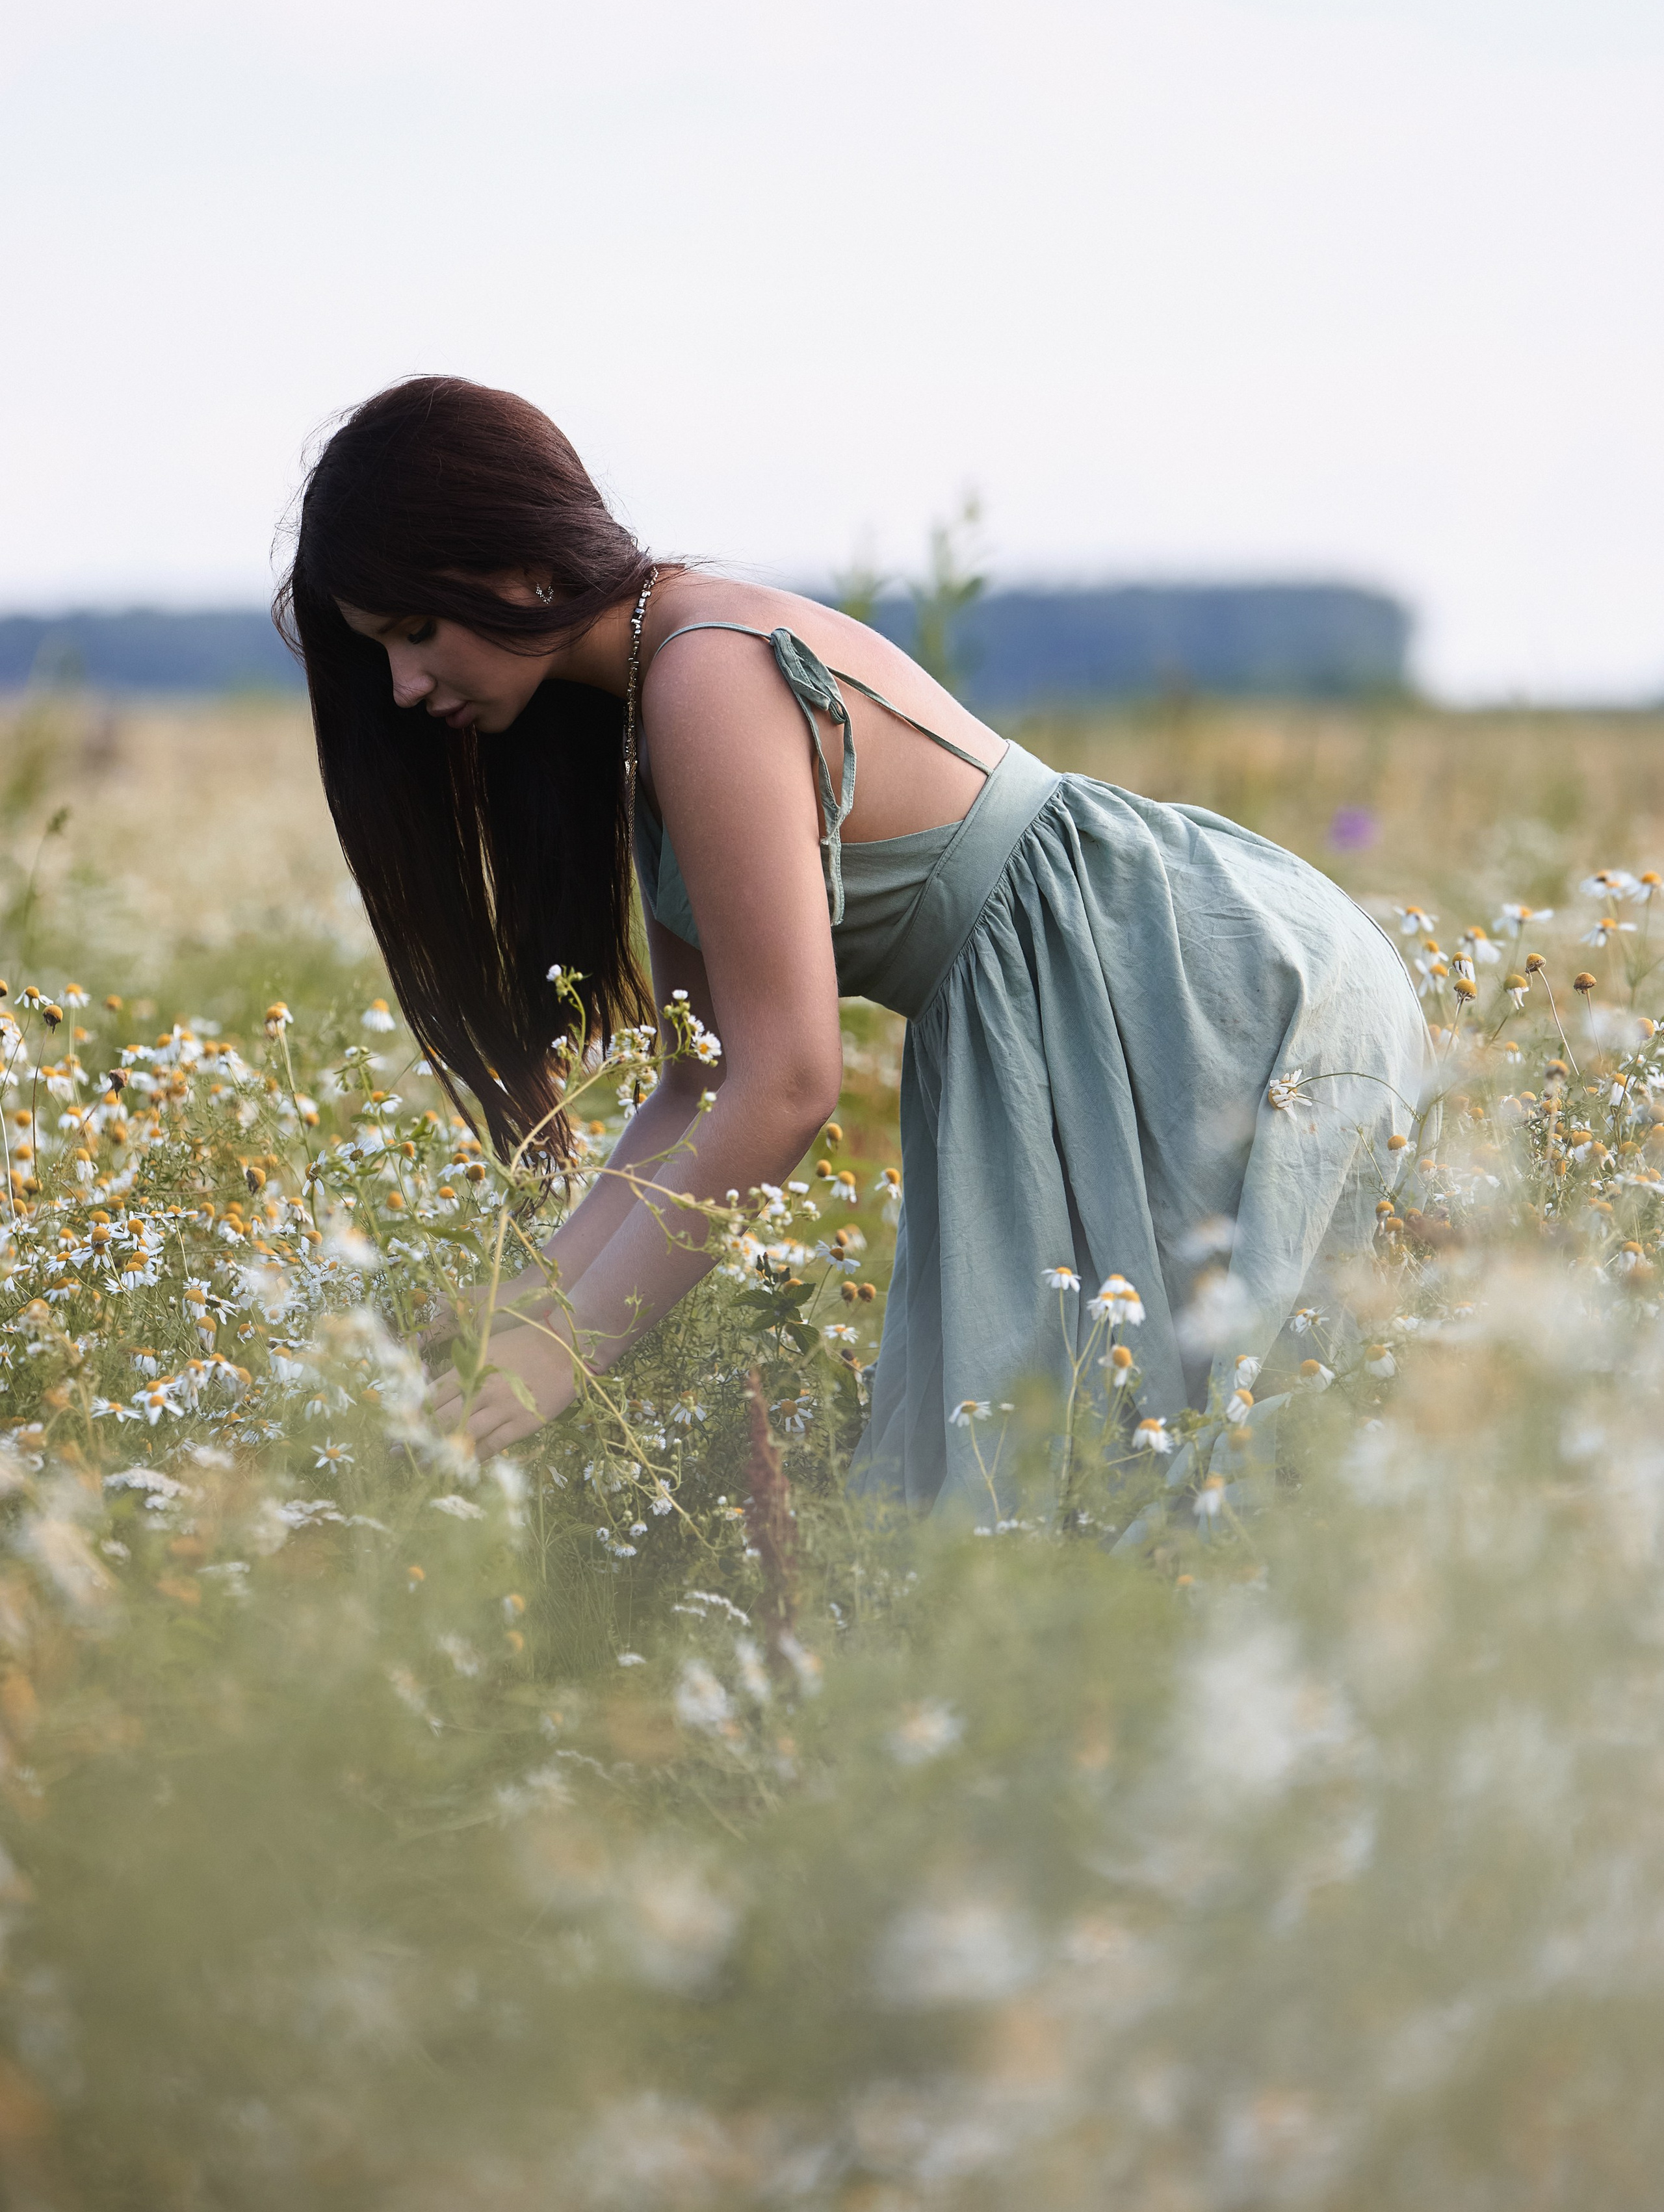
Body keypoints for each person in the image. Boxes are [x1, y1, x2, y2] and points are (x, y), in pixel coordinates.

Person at [280, 374, 1430, 1513]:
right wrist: (525, 1307)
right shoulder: (655, 688)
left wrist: (567, 1351)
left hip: (1187, 989)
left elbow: (786, 1085)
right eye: (382, 649)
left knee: (1231, 1471)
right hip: (1115, 990)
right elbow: (702, 1079)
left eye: (416, 630)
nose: (406, 683)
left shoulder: (707, 676)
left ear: (515, 559)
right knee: (1138, 1472)